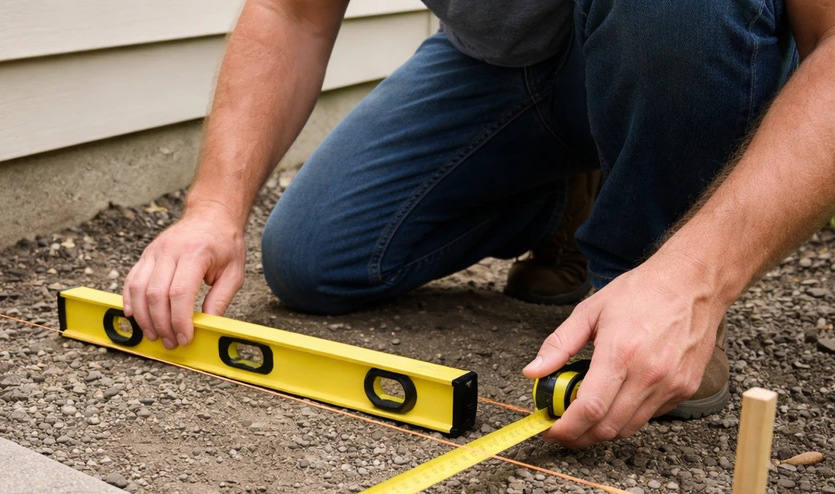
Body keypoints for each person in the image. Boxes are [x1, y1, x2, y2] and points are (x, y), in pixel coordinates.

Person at [123, 0, 835, 448]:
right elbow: (293, 14)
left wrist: (695, 280)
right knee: (313, 256)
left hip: (679, 39)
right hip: (509, 70)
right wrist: (212, 210)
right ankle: (572, 201)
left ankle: (648, 256)